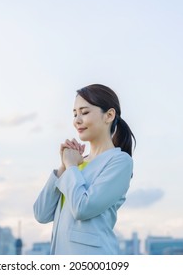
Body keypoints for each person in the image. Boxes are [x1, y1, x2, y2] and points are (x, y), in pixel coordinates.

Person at [33, 84, 136, 255]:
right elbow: (41, 214)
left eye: (85, 112)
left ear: (109, 115)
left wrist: (72, 166)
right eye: (75, 114)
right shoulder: (76, 164)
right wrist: (63, 167)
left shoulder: (120, 161)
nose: (77, 120)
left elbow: (83, 208)